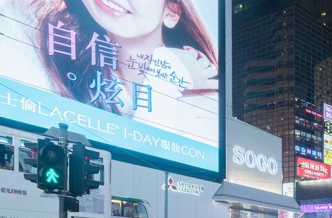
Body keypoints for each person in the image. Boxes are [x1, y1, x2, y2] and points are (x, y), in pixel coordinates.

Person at [21, 0, 219, 145]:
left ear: (172, 12)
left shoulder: (203, 106)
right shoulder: (47, 41)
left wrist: (165, 75)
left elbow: (146, 175)